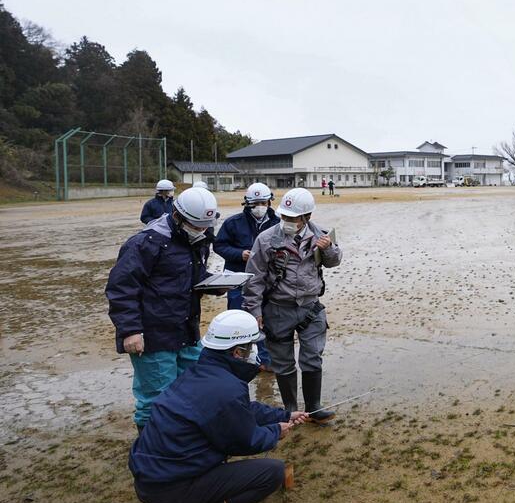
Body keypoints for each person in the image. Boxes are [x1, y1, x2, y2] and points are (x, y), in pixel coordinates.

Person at [129, 310, 308, 503]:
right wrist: (275, 432)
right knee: (272, 473)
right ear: (237, 352)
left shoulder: (200, 374)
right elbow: (246, 442)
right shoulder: (226, 388)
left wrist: (283, 415)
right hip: (171, 488)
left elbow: (240, 409)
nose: (255, 352)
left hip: (155, 481)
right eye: (251, 346)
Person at [107, 187, 219, 431]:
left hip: (186, 329)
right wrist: (130, 330)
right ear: (178, 216)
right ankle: (152, 454)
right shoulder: (145, 243)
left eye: (205, 226)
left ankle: (181, 440)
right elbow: (121, 288)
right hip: (153, 335)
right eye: (197, 226)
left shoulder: (197, 239)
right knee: (156, 399)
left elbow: (192, 275)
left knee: (192, 389)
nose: (201, 231)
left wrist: (216, 284)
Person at [244, 188, 341, 423]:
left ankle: (314, 407)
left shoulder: (321, 234)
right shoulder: (266, 239)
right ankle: (289, 409)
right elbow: (253, 278)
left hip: (310, 307)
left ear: (306, 216)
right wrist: (254, 311)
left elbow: (334, 262)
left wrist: (328, 248)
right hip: (278, 307)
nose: (286, 221)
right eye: (284, 216)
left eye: (292, 217)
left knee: (312, 356)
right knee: (282, 360)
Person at [214, 183, 280, 368]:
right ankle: (238, 360)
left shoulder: (278, 224)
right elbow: (219, 245)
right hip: (238, 279)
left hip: (267, 281)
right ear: (247, 204)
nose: (259, 207)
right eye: (255, 203)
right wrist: (239, 254)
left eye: (263, 202)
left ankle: (266, 360)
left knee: (265, 320)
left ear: (269, 202)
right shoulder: (233, 223)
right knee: (238, 320)